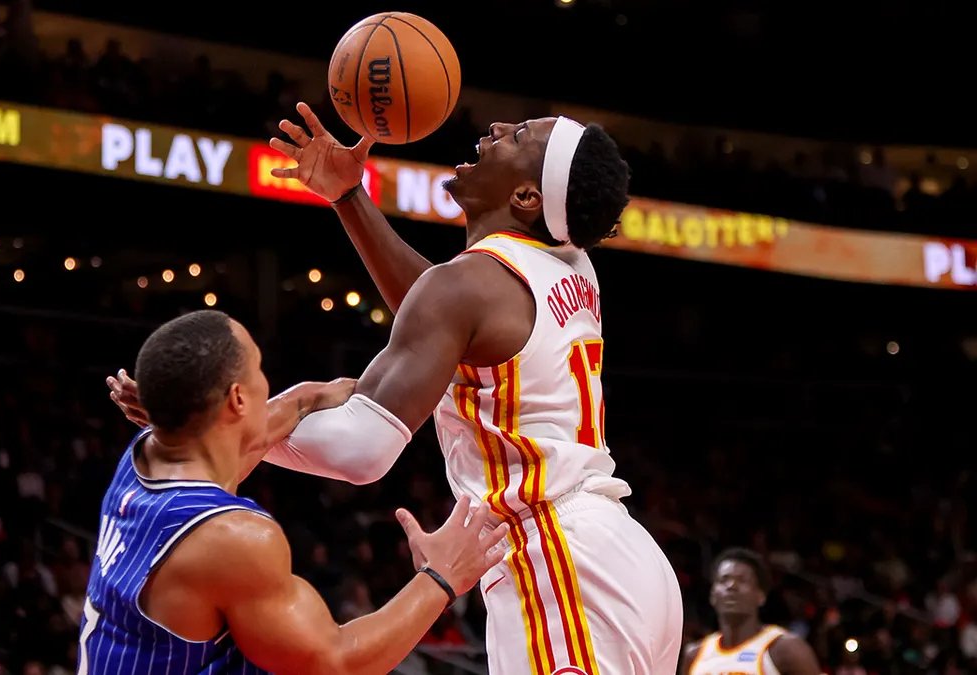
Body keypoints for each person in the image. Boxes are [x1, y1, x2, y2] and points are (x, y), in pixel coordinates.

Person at [112, 103, 682, 673]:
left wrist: (261, 416)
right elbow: (437, 310)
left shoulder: (470, 287)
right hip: (620, 556)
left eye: (519, 136)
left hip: (557, 560)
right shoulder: (569, 262)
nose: (497, 129)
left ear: (527, 198)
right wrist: (348, 196)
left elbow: (360, 451)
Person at [82, 310, 510, 675]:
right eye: (258, 371)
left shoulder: (146, 455)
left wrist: (357, 395)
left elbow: (292, 408)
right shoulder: (230, 539)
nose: (266, 383)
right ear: (236, 400)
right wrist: (441, 578)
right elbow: (336, 663)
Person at [680, 548, 822, 675]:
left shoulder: (786, 649)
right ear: (712, 595)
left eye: (742, 580)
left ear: (761, 596)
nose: (731, 586)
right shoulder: (694, 654)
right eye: (724, 580)